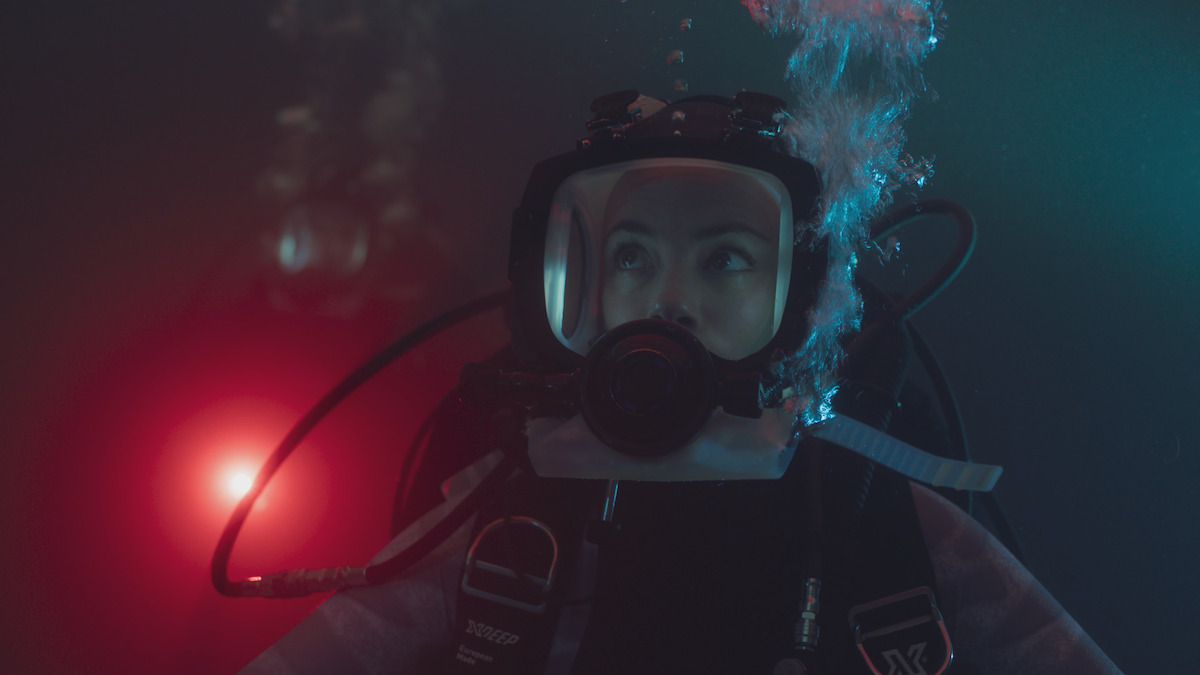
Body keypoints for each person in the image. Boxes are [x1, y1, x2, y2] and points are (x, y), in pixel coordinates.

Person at [240, 92, 1122, 674]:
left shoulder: (876, 508)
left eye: (725, 256)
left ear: (802, 292)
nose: (668, 298)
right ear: (571, 284)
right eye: (631, 255)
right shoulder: (514, 504)